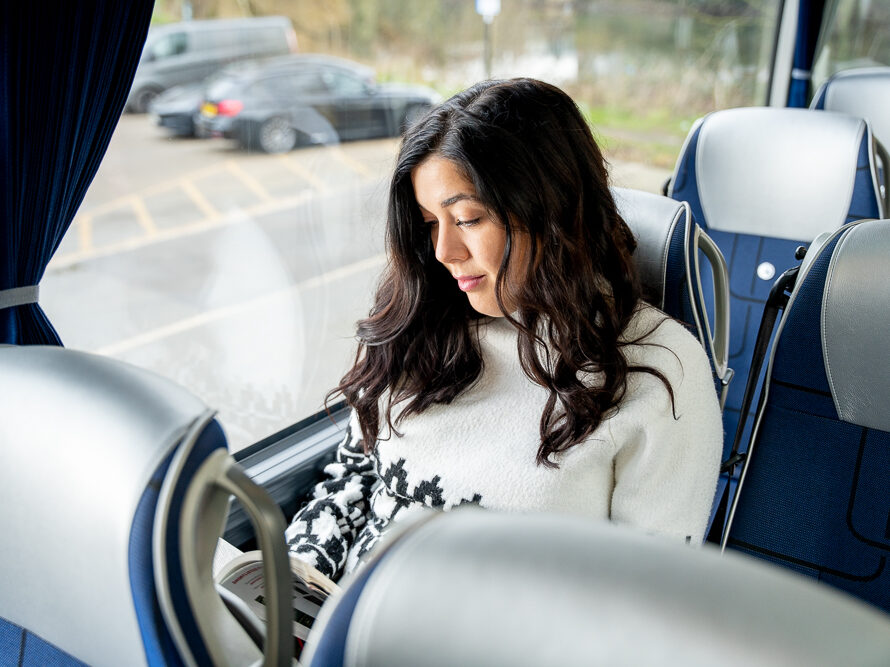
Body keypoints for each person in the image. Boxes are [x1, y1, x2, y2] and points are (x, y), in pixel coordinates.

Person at [285, 78, 722, 581]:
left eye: (468, 219)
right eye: (430, 223)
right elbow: (357, 475)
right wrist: (293, 582)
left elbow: (648, 600)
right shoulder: (424, 319)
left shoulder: (658, 370)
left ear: (552, 210)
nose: (443, 252)